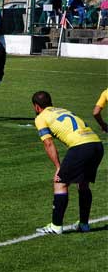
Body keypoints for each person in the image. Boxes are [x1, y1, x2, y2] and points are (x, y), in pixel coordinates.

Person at [31, 91, 104, 235]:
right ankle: (84, 224)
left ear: (36, 106)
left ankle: (56, 226)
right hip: (96, 144)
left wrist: (58, 167)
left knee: (60, 182)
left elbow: (48, 143)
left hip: (80, 146)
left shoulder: (41, 117)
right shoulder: (64, 110)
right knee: (83, 184)